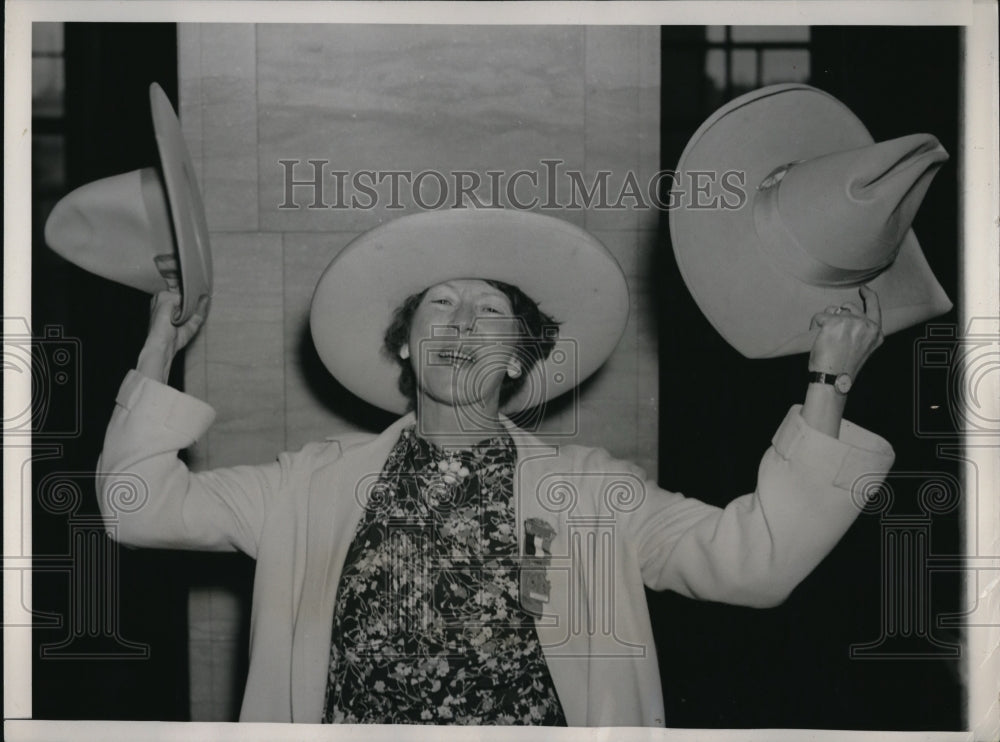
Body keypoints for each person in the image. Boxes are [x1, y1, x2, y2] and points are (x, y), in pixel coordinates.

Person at [96, 211, 893, 726]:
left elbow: (753, 567)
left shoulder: (590, 491)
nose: (463, 322)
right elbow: (137, 508)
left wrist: (827, 385)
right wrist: (159, 347)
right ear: (407, 343)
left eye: (491, 311)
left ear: (518, 359)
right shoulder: (307, 484)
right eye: (439, 304)